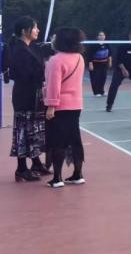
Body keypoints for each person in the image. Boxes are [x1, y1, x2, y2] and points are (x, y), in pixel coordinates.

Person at [6, 17, 51, 182]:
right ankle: (21, 168)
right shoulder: (20, 50)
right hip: (25, 95)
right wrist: (44, 71)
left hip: (32, 94)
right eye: (35, 27)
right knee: (24, 130)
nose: (38, 30)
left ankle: (36, 162)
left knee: (33, 130)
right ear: (25, 31)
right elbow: (26, 74)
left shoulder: (29, 48)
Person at [43, 27, 87, 188]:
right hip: (76, 104)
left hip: (60, 106)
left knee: (58, 142)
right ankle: (78, 174)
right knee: (75, 139)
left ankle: (57, 178)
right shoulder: (79, 58)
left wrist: (51, 106)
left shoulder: (56, 60)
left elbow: (54, 86)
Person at [106, 28, 131, 113]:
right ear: (130, 36)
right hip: (121, 69)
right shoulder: (123, 46)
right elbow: (118, 60)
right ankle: (109, 105)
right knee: (114, 85)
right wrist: (124, 70)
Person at [87, 31, 112, 97]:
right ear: (97, 37)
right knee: (95, 78)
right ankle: (96, 92)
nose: (102, 36)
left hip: (104, 64)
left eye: (103, 35)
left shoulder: (107, 44)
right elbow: (89, 55)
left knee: (103, 78)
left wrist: (110, 62)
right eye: (100, 35)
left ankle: (101, 91)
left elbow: (109, 54)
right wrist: (90, 64)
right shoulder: (93, 45)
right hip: (95, 64)